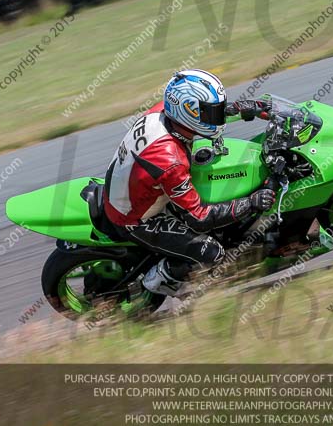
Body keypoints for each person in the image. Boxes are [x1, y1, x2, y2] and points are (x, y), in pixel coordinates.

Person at [102, 69, 274, 301]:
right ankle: (162, 280)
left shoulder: (161, 112)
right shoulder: (169, 161)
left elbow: (205, 116)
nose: (216, 116)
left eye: (216, 110)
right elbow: (200, 218)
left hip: (131, 187)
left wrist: (242, 109)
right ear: (189, 112)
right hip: (136, 218)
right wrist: (251, 203)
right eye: (212, 112)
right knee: (213, 253)